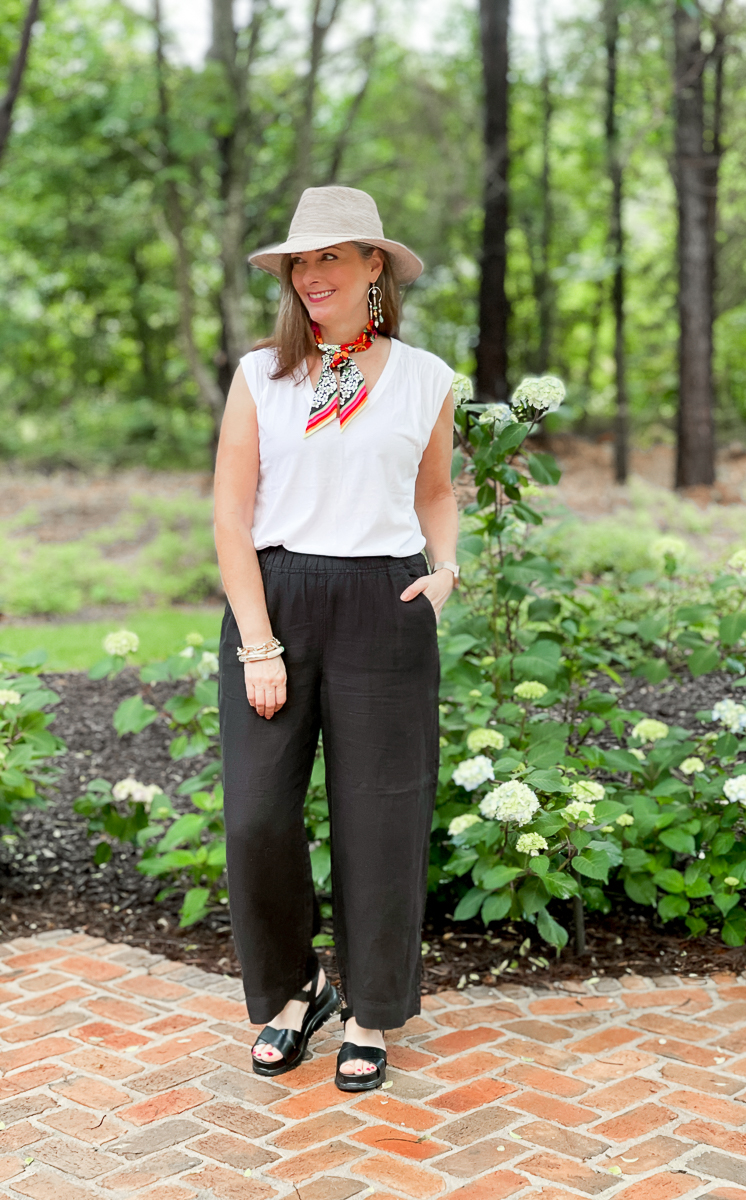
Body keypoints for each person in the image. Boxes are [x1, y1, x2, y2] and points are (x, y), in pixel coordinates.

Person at [213, 185, 459, 1091]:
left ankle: (369, 1010)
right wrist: (258, 642)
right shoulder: (259, 376)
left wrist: (446, 571)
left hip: (383, 601)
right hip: (274, 599)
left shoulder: (428, 377)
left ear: (374, 269)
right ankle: (295, 987)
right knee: (257, 815)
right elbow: (231, 518)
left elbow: (435, 488)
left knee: (381, 818)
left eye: (329, 258)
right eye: (299, 263)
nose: (311, 275)